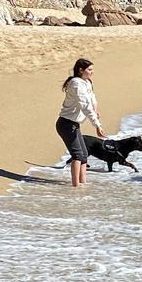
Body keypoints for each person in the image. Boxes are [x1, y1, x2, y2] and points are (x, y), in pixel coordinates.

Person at [56, 58, 105, 187]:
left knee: (84, 155)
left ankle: (83, 184)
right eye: (89, 70)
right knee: (77, 155)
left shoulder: (87, 82)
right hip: (66, 124)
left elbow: (92, 98)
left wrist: (95, 110)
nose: (92, 72)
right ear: (81, 70)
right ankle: (75, 186)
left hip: (74, 124)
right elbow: (84, 105)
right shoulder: (76, 84)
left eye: (92, 69)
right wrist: (97, 125)